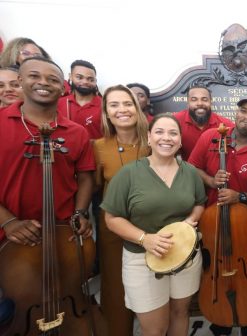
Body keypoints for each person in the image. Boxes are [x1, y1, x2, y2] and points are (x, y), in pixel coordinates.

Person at [101, 113, 206, 336]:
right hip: (141, 259)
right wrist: (145, 239)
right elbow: (112, 218)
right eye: (159, 132)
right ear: (149, 138)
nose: (166, 138)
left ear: (179, 140)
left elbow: (199, 203)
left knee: (180, 313)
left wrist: (188, 224)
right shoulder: (128, 174)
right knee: (155, 329)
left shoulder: (189, 172)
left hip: (185, 255)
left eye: (173, 133)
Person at [188, 97, 247, 336]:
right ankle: (220, 319)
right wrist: (211, 181)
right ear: (236, 113)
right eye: (243, 111)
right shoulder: (210, 137)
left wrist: (239, 197)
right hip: (211, 223)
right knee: (215, 271)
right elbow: (192, 166)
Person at [0, 56, 94, 245]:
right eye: (34, 76)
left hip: (62, 231)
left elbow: (85, 178)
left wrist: (79, 213)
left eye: (53, 80)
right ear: (20, 81)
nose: (43, 82)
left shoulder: (77, 133)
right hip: (7, 236)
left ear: (62, 88)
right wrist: (7, 221)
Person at [93, 84, 150, 335]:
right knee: (116, 292)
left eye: (127, 104)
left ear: (137, 109)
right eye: (114, 105)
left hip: (153, 231)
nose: (122, 110)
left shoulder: (155, 141)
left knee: (153, 293)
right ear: (106, 112)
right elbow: (94, 190)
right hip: (114, 233)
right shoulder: (97, 147)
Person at [173, 85, 233, 160]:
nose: (200, 103)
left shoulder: (226, 125)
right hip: (188, 170)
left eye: (204, 100)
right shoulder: (175, 121)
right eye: (194, 100)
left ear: (211, 101)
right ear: (188, 102)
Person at [58, 60, 102, 140]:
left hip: (95, 152)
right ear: (70, 76)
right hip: (65, 151)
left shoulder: (104, 105)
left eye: (90, 79)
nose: (85, 82)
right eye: (79, 77)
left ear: (95, 81)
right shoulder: (59, 103)